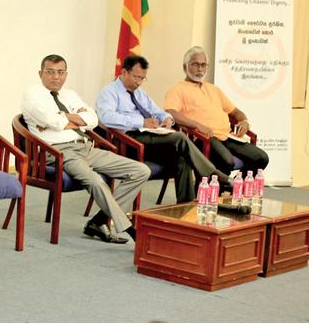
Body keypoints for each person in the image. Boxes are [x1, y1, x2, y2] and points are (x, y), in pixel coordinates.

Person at [21, 54, 150, 244]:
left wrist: (65, 117)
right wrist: (73, 118)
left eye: (60, 72)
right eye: (50, 72)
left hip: (86, 148)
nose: (56, 77)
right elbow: (53, 122)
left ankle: (98, 221)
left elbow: (93, 120)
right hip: (58, 152)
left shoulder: (70, 94)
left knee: (140, 170)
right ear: (41, 73)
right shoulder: (32, 94)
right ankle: (130, 230)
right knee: (96, 182)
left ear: (66, 74)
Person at [96, 55, 229, 203]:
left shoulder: (139, 93)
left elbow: (157, 111)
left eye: (142, 78)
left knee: (182, 158)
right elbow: (106, 118)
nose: (139, 82)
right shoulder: (109, 92)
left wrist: (167, 119)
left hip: (148, 138)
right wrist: (141, 122)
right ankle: (212, 174)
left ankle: (185, 207)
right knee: (179, 137)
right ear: (124, 72)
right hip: (126, 141)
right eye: (136, 77)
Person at [164, 46, 269, 177]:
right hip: (203, 138)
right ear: (185, 67)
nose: (200, 69)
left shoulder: (214, 89)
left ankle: (233, 187)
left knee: (261, 158)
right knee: (227, 161)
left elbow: (236, 112)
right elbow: (170, 112)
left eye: (203, 65)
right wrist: (197, 125)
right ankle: (216, 188)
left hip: (227, 136)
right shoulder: (177, 89)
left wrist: (244, 121)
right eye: (195, 65)